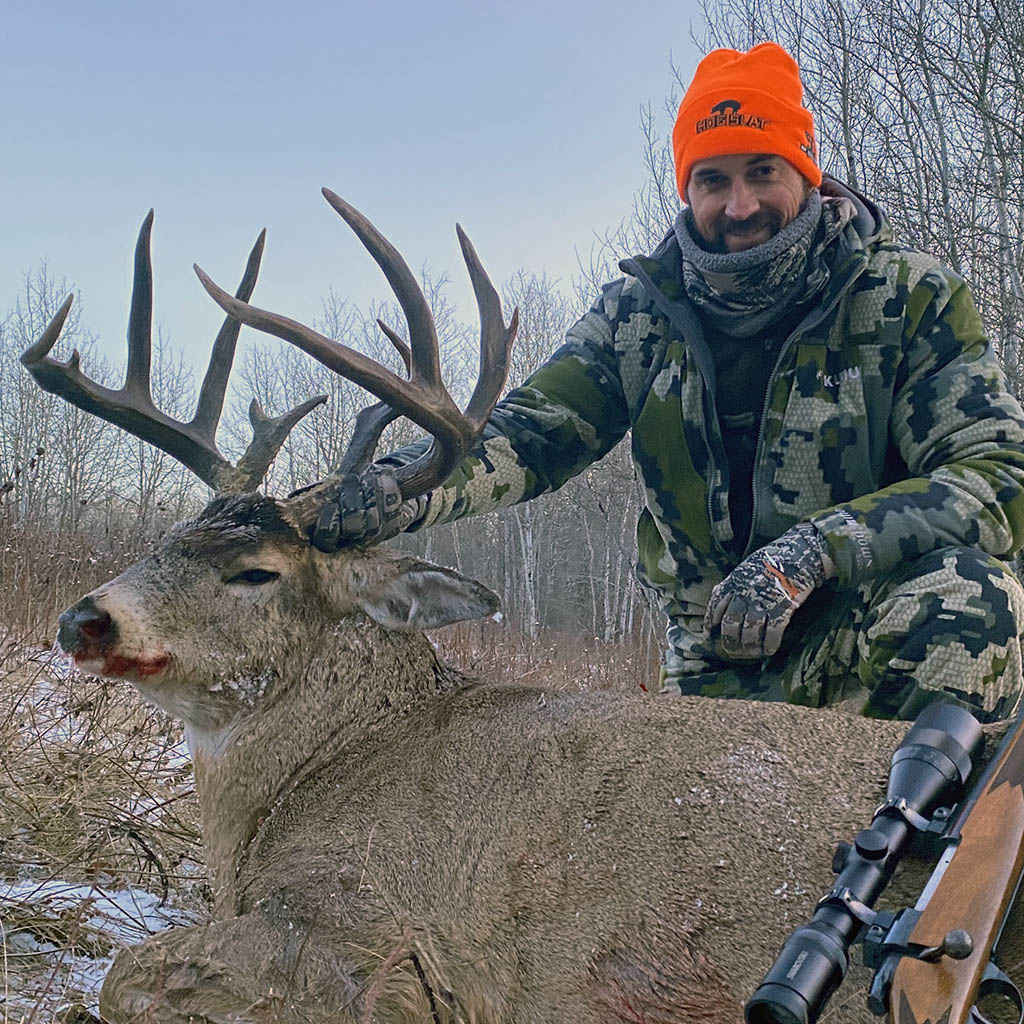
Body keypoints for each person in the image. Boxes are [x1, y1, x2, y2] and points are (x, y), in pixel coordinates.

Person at [312, 42, 1024, 722]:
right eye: (713, 180)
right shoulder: (637, 317)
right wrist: (400, 490)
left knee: (969, 597)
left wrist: (816, 552)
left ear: (805, 173)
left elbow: (998, 474)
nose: (739, 206)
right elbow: (531, 436)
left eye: (762, 171)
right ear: (687, 189)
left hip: (867, 630)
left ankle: (927, 841)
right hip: (719, 656)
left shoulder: (908, 296)